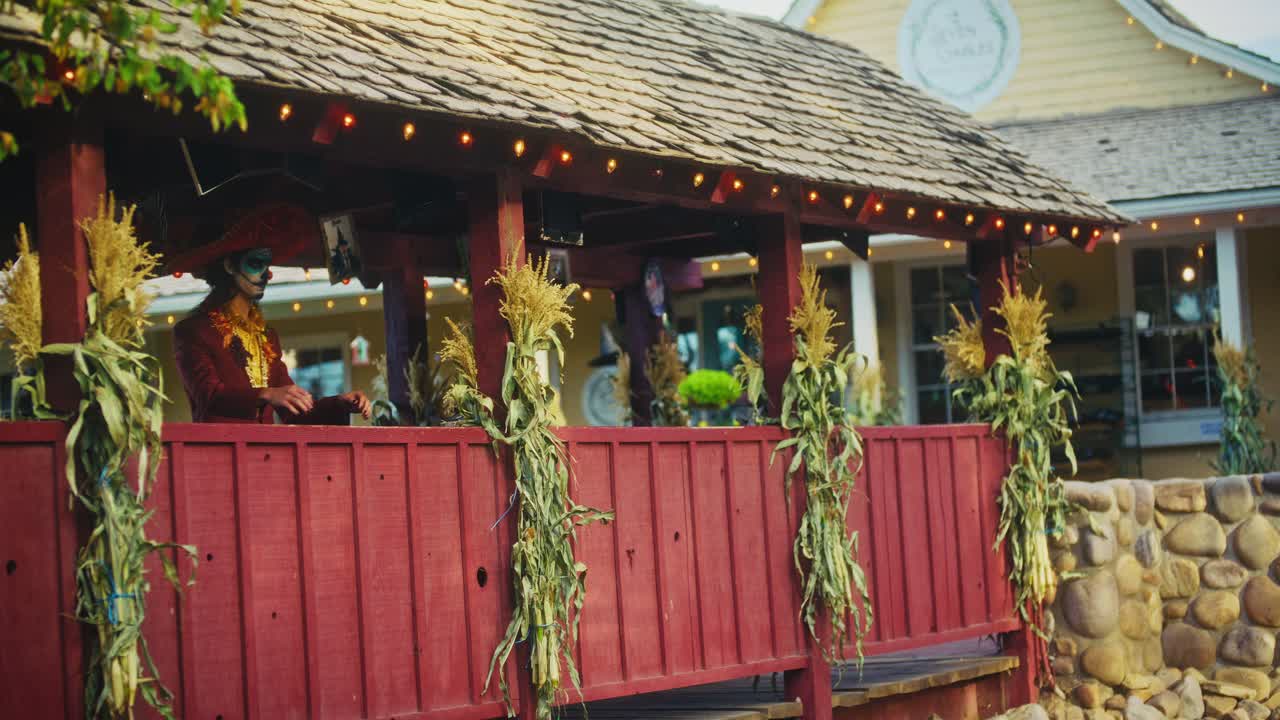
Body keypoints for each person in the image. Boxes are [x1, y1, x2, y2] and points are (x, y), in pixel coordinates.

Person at [170, 203, 371, 424]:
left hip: (265, 455)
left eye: (267, 264)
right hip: (219, 453)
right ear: (229, 266)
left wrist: (340, 402)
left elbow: (292, 407)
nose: (268, 274)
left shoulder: (265, 336)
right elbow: (208, 396)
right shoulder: (193, 331)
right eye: (256, 263)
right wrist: (265, 394)